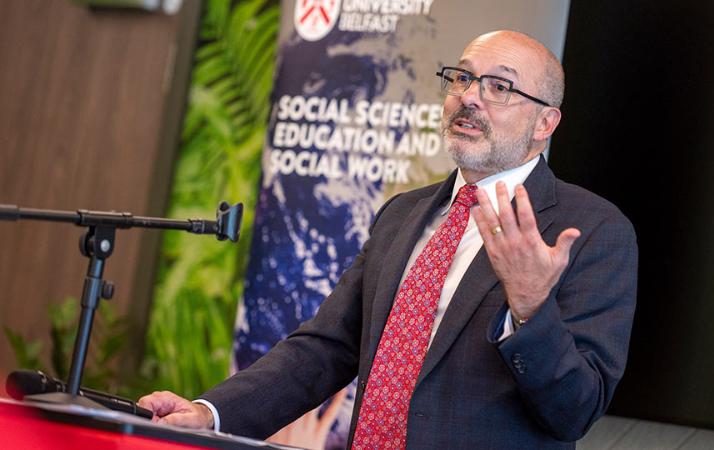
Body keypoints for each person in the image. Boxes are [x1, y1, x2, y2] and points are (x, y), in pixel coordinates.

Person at [139, 30, 638, 449]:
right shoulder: (402, 214)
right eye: (462, 78)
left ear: (545, 123)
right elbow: (326, 348)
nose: (469, 96)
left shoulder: (592, 230)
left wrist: (530, 310)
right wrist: (211, 414)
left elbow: (576, 409)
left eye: (499, 87)